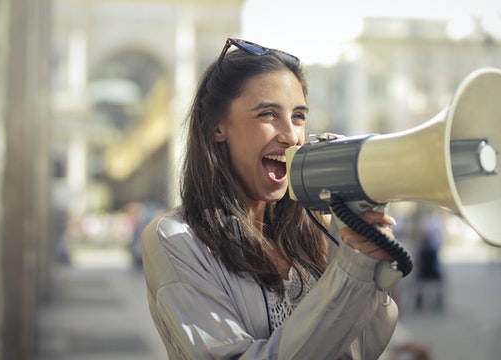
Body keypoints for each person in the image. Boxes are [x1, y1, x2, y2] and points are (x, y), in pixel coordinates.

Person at [141, 38, 400, 359]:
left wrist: (369, 270)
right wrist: (349, 272)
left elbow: (360, 350)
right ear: (217, 128)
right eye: (268, 114)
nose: (291, 136)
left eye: (299, 117)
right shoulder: (176, 238)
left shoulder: (319, 226)